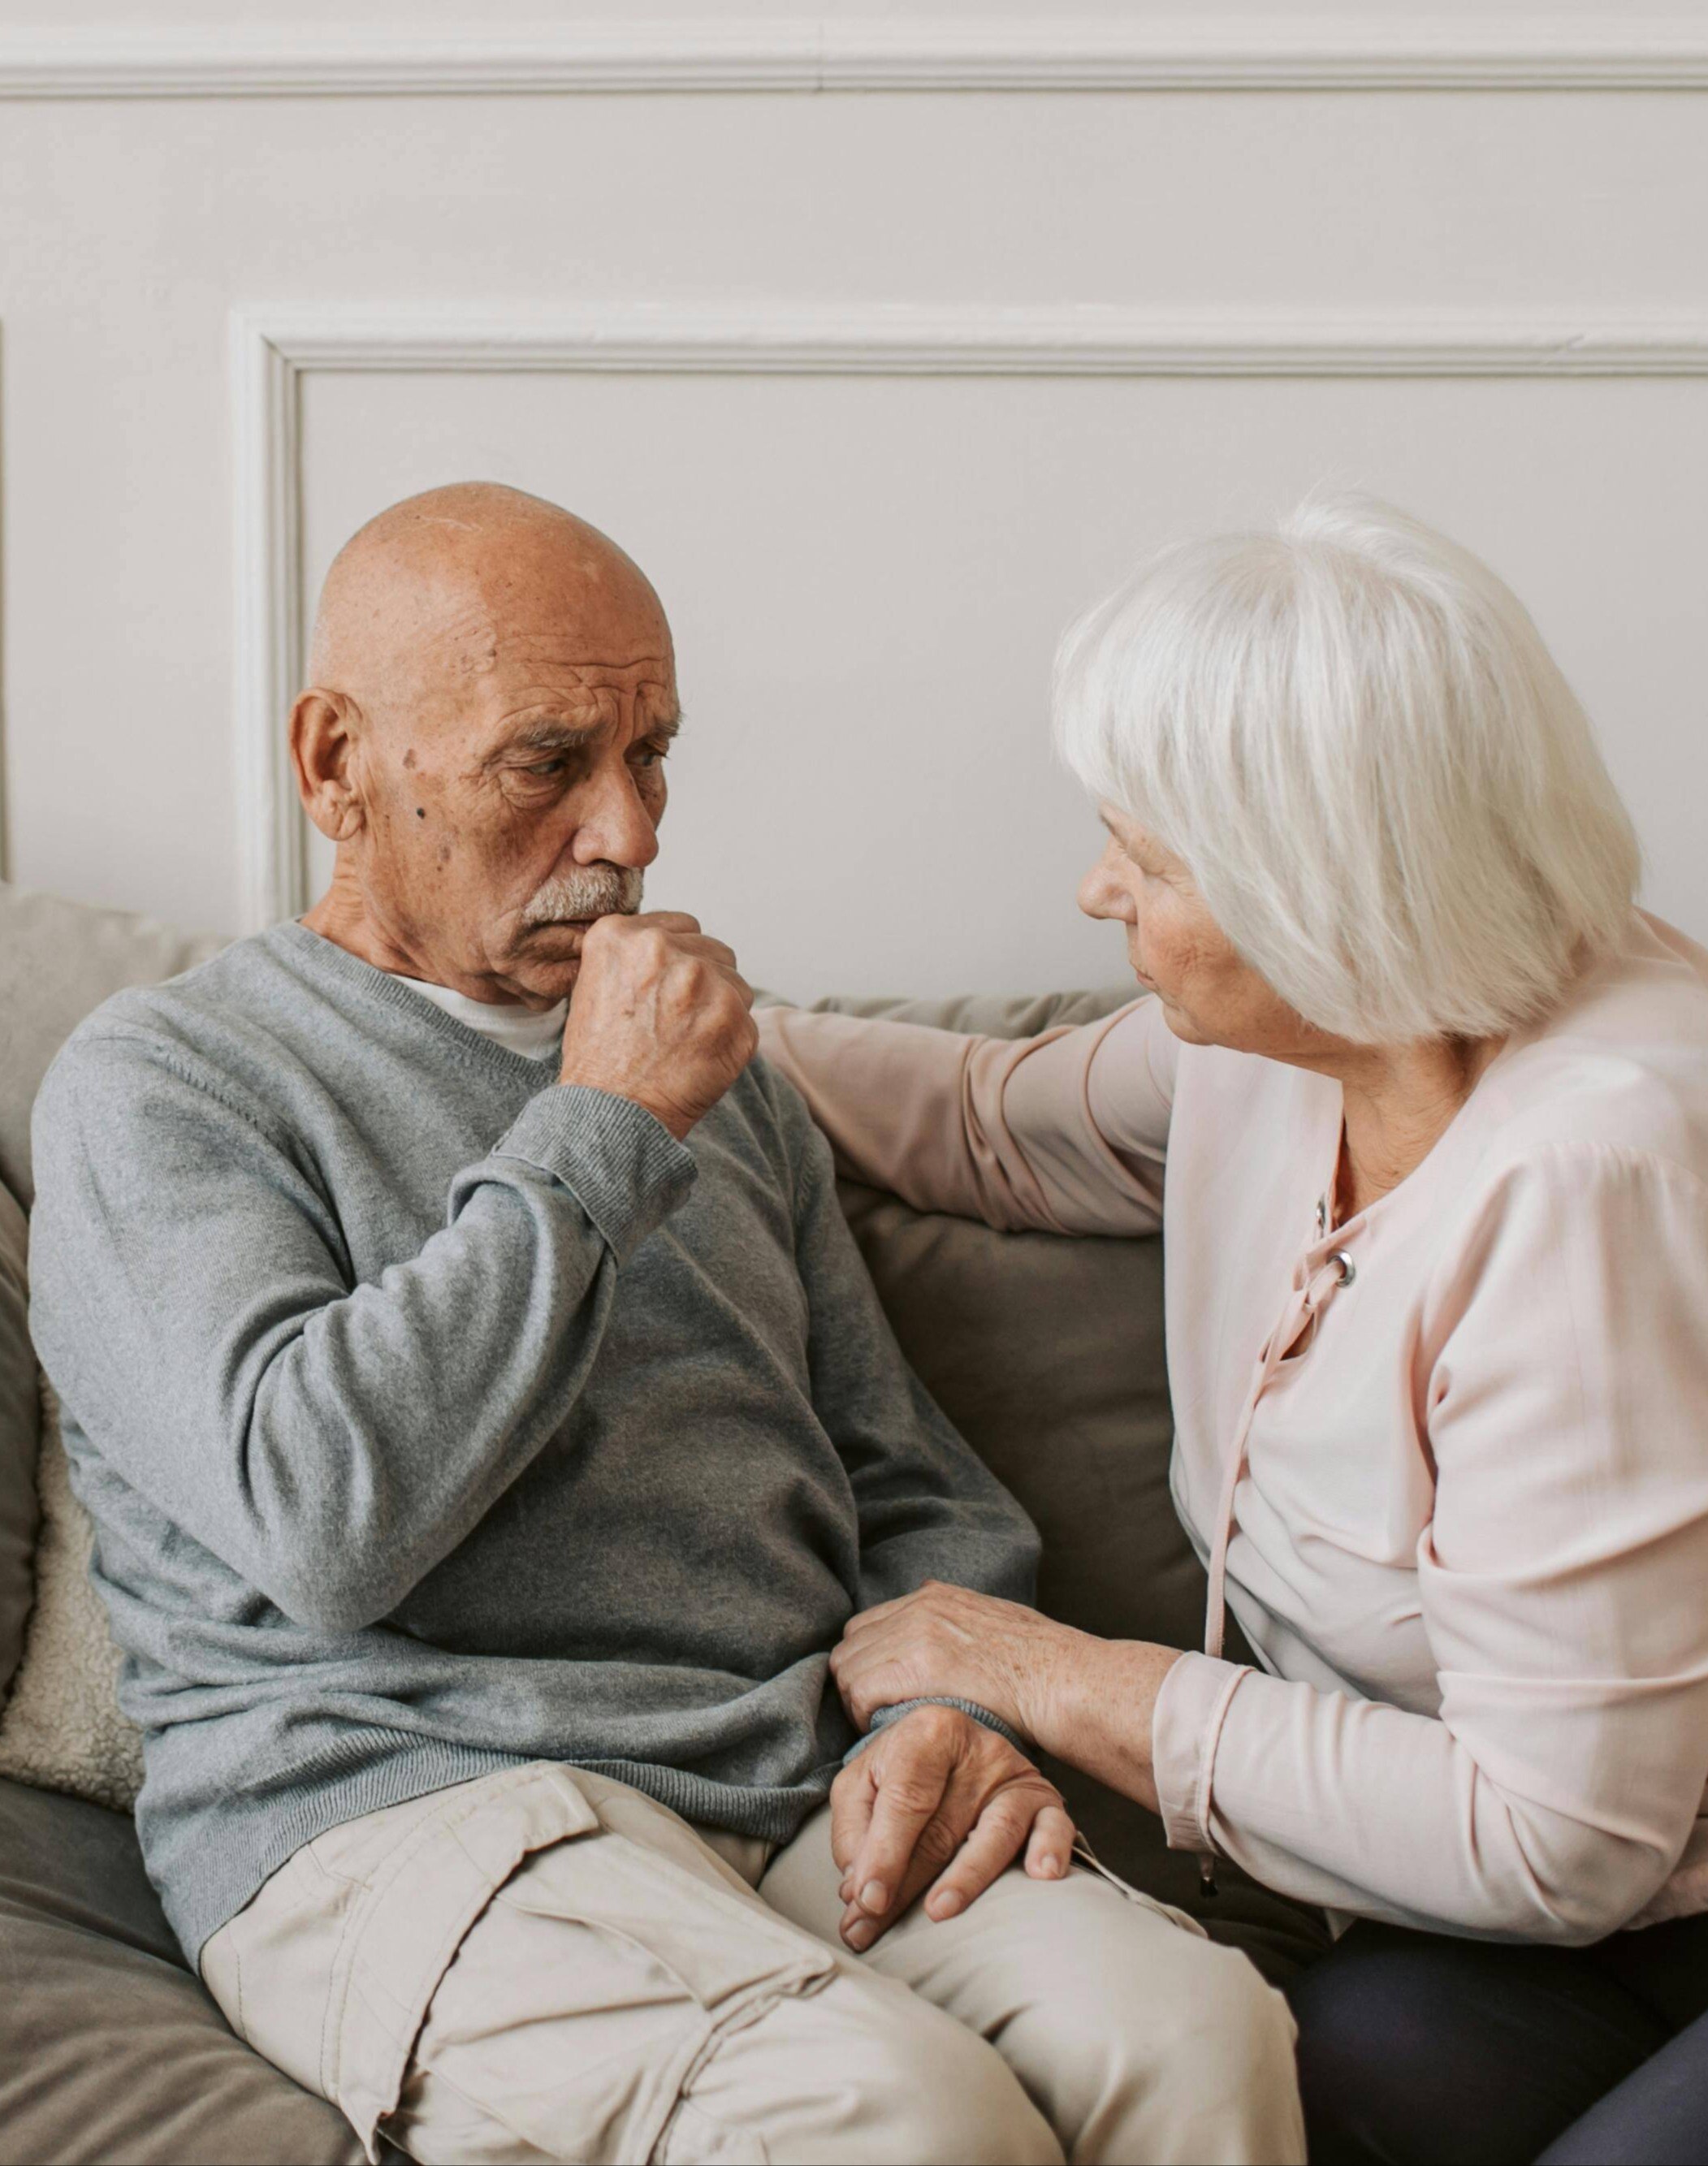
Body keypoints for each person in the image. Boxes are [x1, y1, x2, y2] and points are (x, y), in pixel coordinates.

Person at [758, 493, 1708, 2164]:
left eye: (1147, 854)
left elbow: (1550, 1838)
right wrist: (644, 1022)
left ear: (1315, 884)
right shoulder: (1297, 1046)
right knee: (1276, 2096)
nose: (1093, 886)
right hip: (1585, 1939)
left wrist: (1037, 1669)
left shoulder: (1606, 1169)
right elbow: (989, 1124)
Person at [28, 483, 1299, 2166]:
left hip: (786, 1775)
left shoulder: (724, 1077)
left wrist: (947, 1712)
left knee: (1196, 2032)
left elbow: (904, 1478)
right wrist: (604, 1123)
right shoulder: (169, 1082)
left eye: (654, 757)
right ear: (336, 762)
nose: (627, 833)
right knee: (896, 2117)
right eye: (547, 761)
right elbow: (322, 1519)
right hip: (403, 1813)